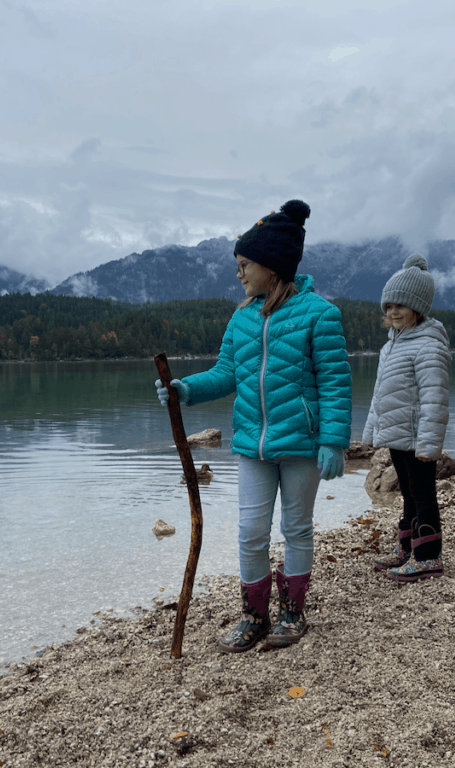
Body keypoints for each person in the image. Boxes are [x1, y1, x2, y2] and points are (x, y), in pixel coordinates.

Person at [155, 199, 352, 653]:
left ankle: (293, 614)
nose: (239, 274)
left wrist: (333, 442)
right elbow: (226, 372)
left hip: (302, 444)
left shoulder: (320, 315)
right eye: (238, 265)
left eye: (245, 265)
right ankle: (254, 616)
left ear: (272, 265)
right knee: (250, 532)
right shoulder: (242, 318)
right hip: (251, 446)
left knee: (297, 529)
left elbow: (337, 384)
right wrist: (186, 390)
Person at [362, 253, 451, 581]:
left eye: (400, 304)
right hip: (398, 435)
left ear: (418, 307)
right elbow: (379, 394)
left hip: (417, 436)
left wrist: (429, 443)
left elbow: (435, 398)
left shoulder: (429, 345)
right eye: (388, 306)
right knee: (408, 493)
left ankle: (428, 556)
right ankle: (408, 547)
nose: (393, 311)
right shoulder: (390, 347)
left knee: (423, 492)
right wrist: (372, 430)